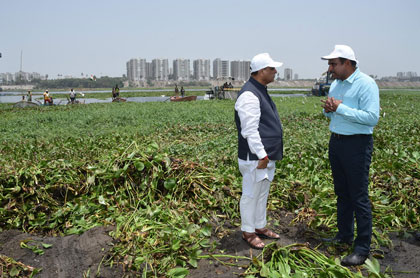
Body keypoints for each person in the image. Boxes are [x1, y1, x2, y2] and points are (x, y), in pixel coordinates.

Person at [320, 45, 380, 266]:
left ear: (347, 63)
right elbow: (333, 114)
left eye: (333, 64)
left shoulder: (366, 84)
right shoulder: (335, 84)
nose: (330, 68)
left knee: (359, 196)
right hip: (336, 142)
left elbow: (372, 118)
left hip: (357, 144)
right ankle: (344, 235)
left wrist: (340, 108)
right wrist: (328, 109)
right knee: (342, 193)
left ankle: (362, 248)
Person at [234, 53, 284, 250]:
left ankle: (259, 226)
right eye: (272, 69)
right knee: (250, 193)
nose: (275, 72)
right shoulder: (249, 94)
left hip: (265, 155)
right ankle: (248, 231)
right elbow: (249, 130)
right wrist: (261, 155)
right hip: (255, 156)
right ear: (262, 71)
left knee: (262, 192)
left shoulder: (260, 90)